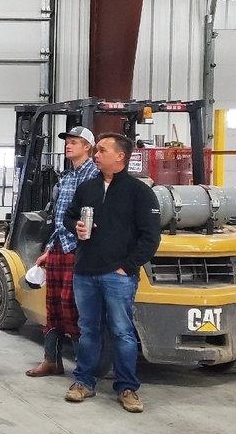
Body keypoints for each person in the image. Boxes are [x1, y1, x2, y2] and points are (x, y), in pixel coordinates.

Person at [62, 132, 161, 413]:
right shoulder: (87, 188)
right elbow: (69, 216)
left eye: (102, 150)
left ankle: (127, 387)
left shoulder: (139, 192)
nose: (96, 154)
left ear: (120, 156)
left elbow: (150, 237)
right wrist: (76, 227)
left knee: (122, 332)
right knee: (88, 330)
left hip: (117, 275)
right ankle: (83, 381)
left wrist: (126, 267)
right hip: (85, 271)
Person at [26, 126, 99, 377]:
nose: (68, 145)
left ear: (87, 147)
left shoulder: (94, 176)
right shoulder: (67, 176)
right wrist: (49, 248)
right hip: (60, 247)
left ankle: (83, 369)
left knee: (73, 308)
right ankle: (51, 361)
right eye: (68, 141)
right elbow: (59, 218)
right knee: (54, 305)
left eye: (75, 142)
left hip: (79, 249)